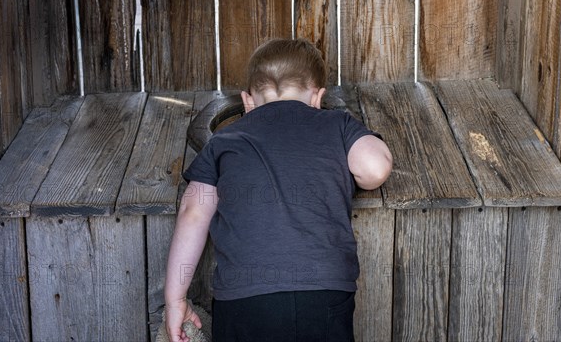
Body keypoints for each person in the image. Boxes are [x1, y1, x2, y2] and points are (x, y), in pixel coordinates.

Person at [164, 38, 392, 342]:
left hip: (244, 299)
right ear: (317, 97)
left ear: (247, 102)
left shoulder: (224, 141)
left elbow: (192, 213)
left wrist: (175, 300)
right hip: (321, 292)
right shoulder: (336, 124)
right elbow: (375, 169)